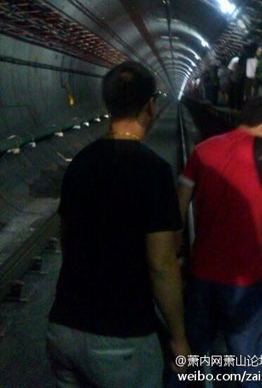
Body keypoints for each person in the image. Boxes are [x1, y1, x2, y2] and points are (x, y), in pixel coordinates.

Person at [47, 61, 189, 388]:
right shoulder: (153, 171)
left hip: (64, 328)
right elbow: (162, 264)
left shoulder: (80, 164)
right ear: (149, 106)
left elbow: (68, 241)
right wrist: (179, 338)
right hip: (121, 339)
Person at [167, 97, 262, 387]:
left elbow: (177, 212)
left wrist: (176, 258)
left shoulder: (202, 150)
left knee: (190, 356)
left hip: (202, 273)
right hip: (246, 277)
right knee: (248, 366)